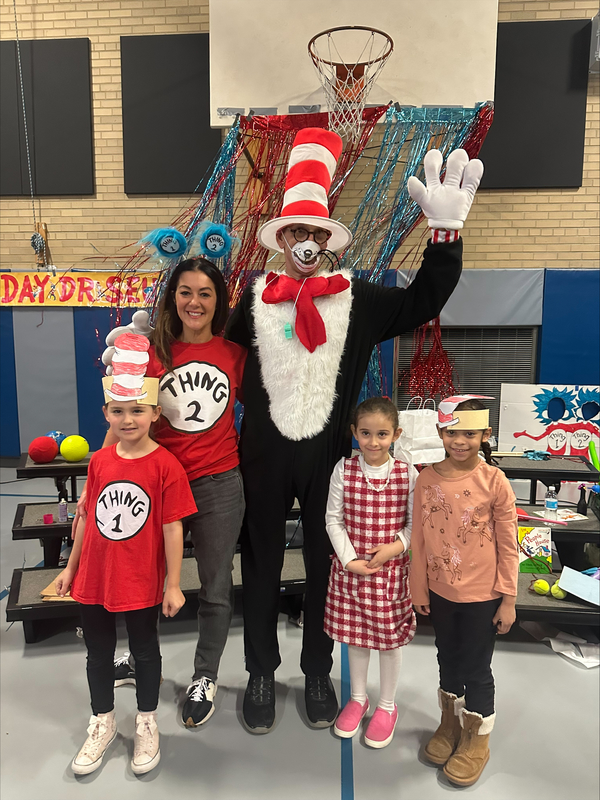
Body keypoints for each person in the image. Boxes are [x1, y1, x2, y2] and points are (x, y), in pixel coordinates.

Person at [225, 128, 484, 733]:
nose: (307, 242)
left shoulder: (358, 299)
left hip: (329, 460)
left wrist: (444, 237)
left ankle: (319, 670)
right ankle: (261, 671)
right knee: (260, 565)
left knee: (327, 564)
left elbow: (423, 299)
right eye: (298, 233)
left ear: (328, 241)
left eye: (317, 233)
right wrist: (151, 344)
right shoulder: (255, 296)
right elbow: (213, 352)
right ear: (282, 238)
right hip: (261, 456)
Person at [80, 257, 247, 729]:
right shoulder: (153, 351)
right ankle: (140, 655)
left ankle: (205, 676)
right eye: (186, 292)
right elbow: (126, 420)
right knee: (146, 579)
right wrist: (103, 472)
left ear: (219, 301)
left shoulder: (235, 355)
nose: (195, 302)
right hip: (156, 483)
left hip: (219, 483)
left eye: (206, 293)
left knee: (215, 587)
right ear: (173, 298)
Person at [55, 334, 197, 775]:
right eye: (119, 411)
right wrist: (70, 568)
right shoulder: (98, 460)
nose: (128, 418)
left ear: (155, 413)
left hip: (139, 578)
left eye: (138, 410)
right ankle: (102, 722)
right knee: (97, 654)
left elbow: (173, 528)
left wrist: (173, 583)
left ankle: (147, 722)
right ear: (106, 414)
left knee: (145, 650)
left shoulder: (166, 466)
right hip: (94, 576)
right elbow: (85, 517)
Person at [410, 395, 518, 787]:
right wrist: (418, 587)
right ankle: (449, 725)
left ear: (485, 434)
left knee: (476, 666)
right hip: (440, 592)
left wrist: (508, 599)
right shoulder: (426, 479)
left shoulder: (494, 481)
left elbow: (509, 543)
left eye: (469, 433)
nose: (460, 441)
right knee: (447, 658)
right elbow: (419, 540)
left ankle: (477, 739)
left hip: (482, 594)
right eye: (452, 432)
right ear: (440, 432)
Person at [324, 397, 418, 748]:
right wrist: (349, 560)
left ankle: (387, 705)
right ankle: (358, 698)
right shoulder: (343, 470)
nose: (373, 442)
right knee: (356, 638)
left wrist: (393, 548)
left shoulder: (407, 473)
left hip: (389, 573)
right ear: (354, 433)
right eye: (366, 433)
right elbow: (333, 519)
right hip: (351, 572)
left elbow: (413, 526)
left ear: (396, 434)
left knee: (389, 640)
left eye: (382, 434)